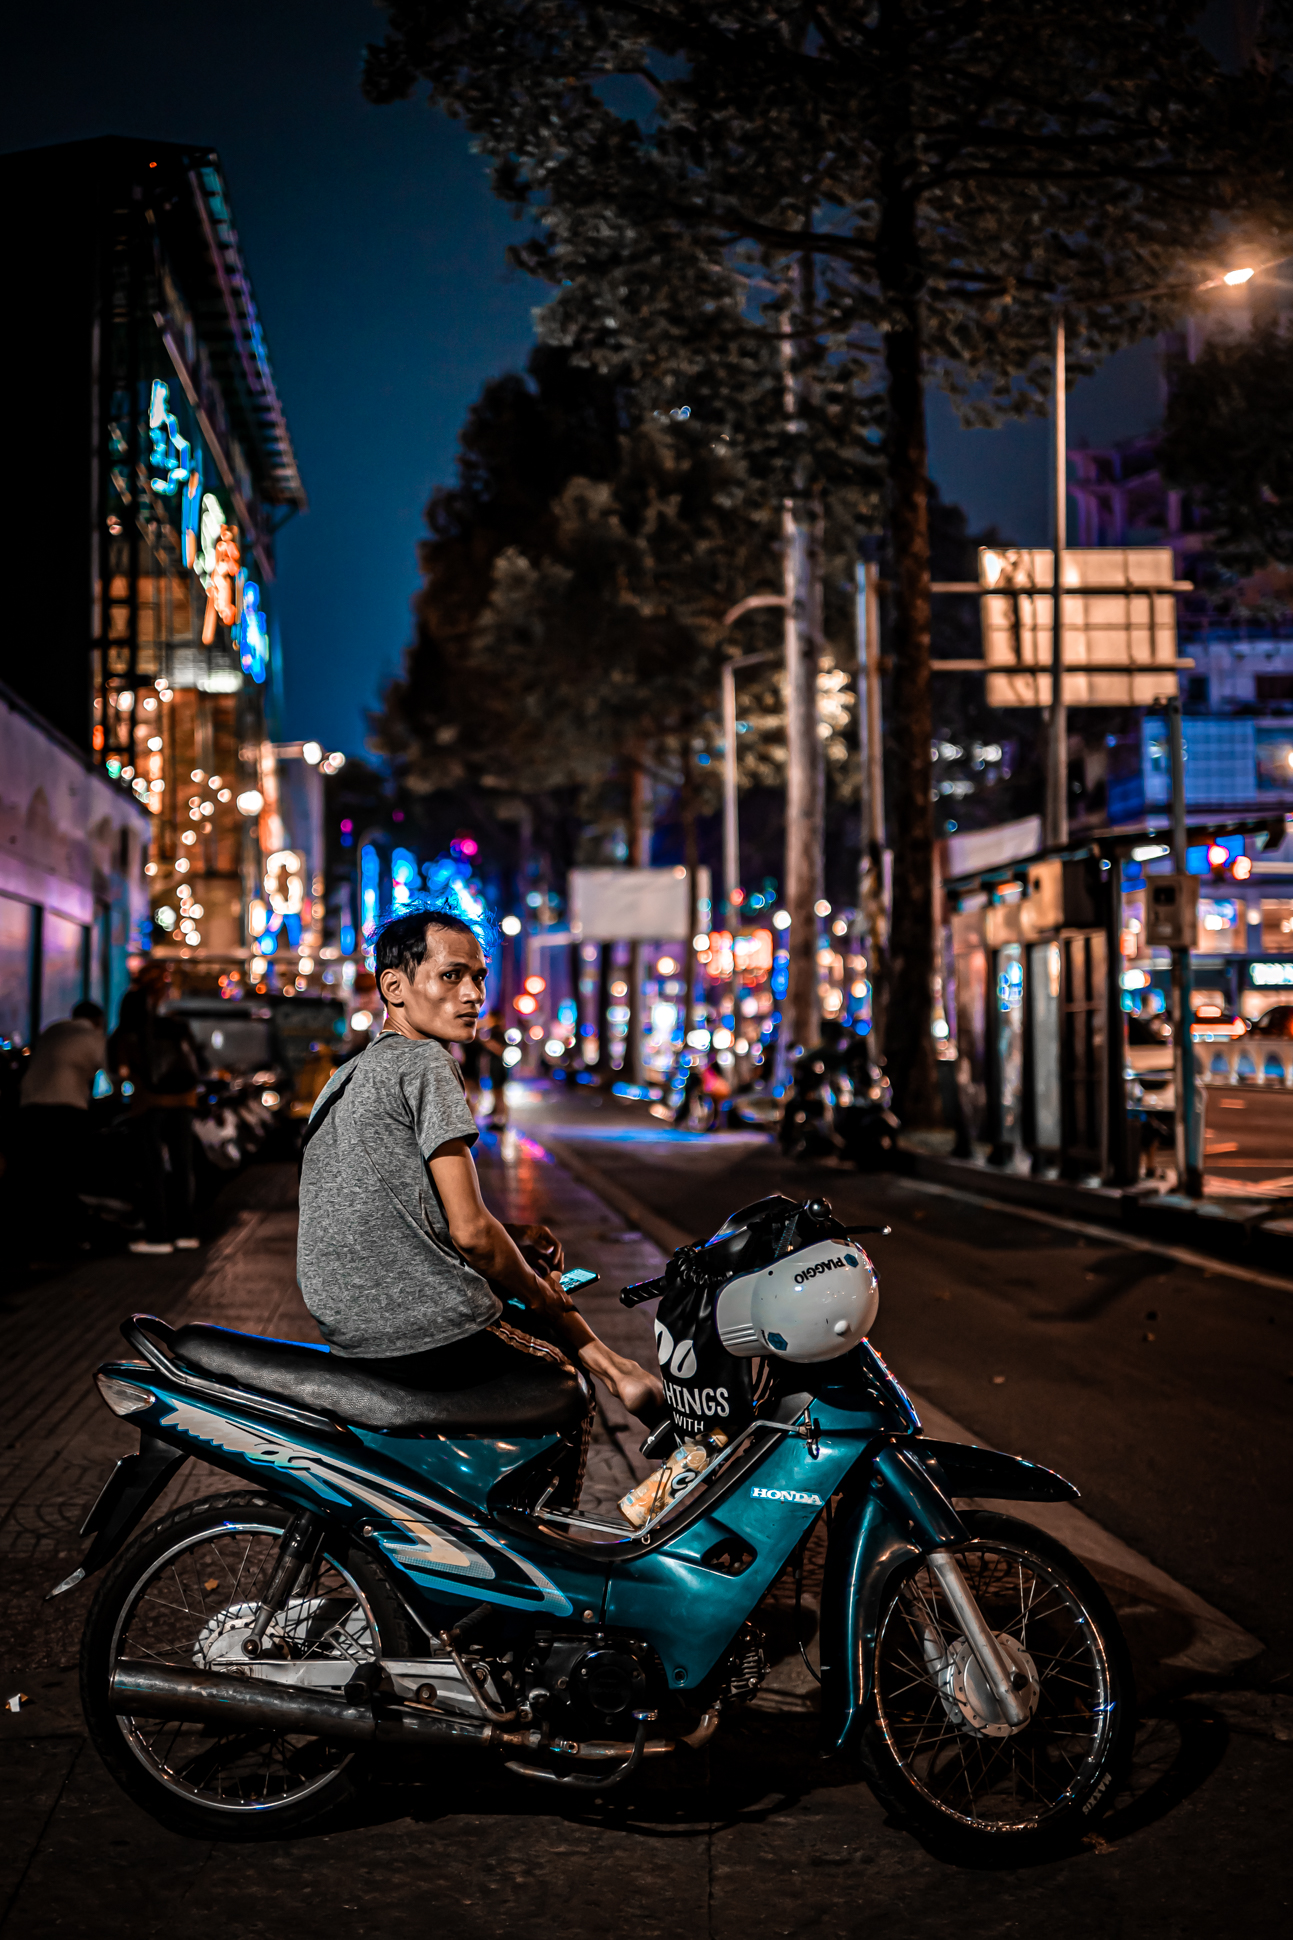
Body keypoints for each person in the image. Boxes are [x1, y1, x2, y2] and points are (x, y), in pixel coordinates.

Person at [297, 906, 662, 1504]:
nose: (472, 994)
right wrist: (541, 1292)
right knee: (563, 1387)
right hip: (416, 1325)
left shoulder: (348, 1075)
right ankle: (539, 1558)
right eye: (451, 977)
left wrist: (515, 1240)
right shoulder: (426, 1064)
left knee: (525, 1263)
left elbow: (416, 1209)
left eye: (479, 978)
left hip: (352, 1322)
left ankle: (615, 1366)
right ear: (396, 986)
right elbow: (469, 1232)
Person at [110, 964, 204, 1255]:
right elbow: (198, 1060)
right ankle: (186, 1233)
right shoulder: (177, 1026)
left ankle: (159, 1237)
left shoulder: (130, 1030)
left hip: (150, 1102)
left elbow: (118, 1069)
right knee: (182, 1167)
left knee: (152, 1169)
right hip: (184, 1100)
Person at [16, 999, 107, 1260]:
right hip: (66, 1109)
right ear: (98, 1021)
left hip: (30, 1107)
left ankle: (32, 1238)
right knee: (65, 1173)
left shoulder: (52, 1030)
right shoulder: (92, 1037)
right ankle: (64, 1239)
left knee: (36, 1174)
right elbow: (112, 1072)